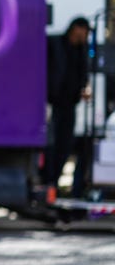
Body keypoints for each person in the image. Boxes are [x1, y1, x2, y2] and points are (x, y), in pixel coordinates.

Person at [44, 16, 91, 198]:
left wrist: (85, 87)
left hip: (70, 103)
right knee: (51, 143)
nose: (83, 37)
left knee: (65, 144)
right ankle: (48, 183)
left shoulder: (82, 49)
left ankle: (54, 181)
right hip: (52, 102)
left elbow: (83, 73)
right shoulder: (55, 43)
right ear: (74, 29)